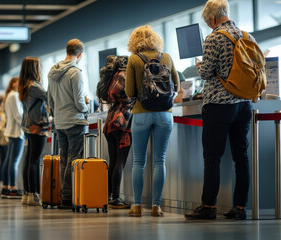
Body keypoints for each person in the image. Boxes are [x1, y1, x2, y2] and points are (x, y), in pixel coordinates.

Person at [184, 0, 253, 220]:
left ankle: (208, 207)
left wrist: (199, 66)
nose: (208, 26)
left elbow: (205, 73)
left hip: (219, 105)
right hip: (243, 104)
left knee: (212, 158)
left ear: (212, 19)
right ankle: (240, 208)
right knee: (241, 157)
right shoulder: (246, 35)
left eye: (208, 22)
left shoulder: (214, 38)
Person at [125, 25, 180, 217]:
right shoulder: (166, 57)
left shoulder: (134, 59)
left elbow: (130, 91)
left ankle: (137, 206)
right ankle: (157, 206)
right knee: (159, 161)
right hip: (165, 113)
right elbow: (177, 85)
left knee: (138, 161)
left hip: (141, 113)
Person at [47, 39, 88, 209]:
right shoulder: (75, 73)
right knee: (73, 159)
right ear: (79, 55)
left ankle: (64, 195)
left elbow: (49, 100)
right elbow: (79, 101)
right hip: (74, 121)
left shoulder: (52, 72)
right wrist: (86, 107)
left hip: (60, 122)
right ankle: (68, 196)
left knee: (63, 158)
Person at [103, 56, 135, 209]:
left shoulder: (113, 76)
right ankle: (115, 198)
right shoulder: (124, 75)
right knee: (120, 162)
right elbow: (128, 96)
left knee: (114, 161)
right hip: (121, 123)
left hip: (110, 122)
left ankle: (109, 196)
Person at [19, 57, 49, 206]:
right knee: (34, 161)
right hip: (37, 125)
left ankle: (27, 193)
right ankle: (34, 194)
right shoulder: (35, 86)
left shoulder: (24, 85)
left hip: (27, 125)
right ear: (34, 69)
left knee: (29, 159)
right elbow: (50, 97)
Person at [1, 77, 25, 199]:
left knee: (9, 160)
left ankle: (6, 186)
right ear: (13, 84)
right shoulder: (14, 95)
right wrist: (27, 124)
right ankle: (13, 188)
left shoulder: (9, 96)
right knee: (13, 161)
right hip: (16, 132)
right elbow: (18, 115)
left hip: (10, 131)